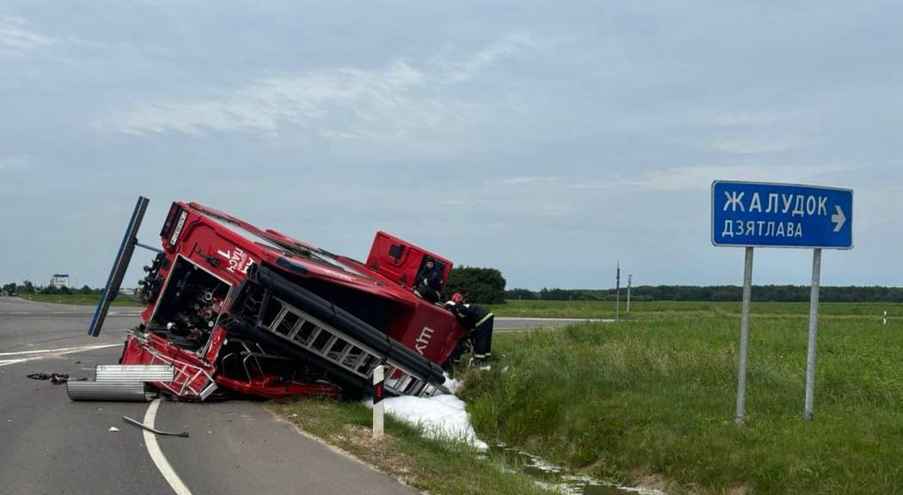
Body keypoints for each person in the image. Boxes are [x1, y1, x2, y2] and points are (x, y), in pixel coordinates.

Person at [445, 292, 494, 370]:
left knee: (481, 340)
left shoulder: (455, 307)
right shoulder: (463, 308)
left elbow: (451, 306)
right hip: (487, 315)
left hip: (481, 316)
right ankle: (484, 360)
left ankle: (478, 363)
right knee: (485, 339)